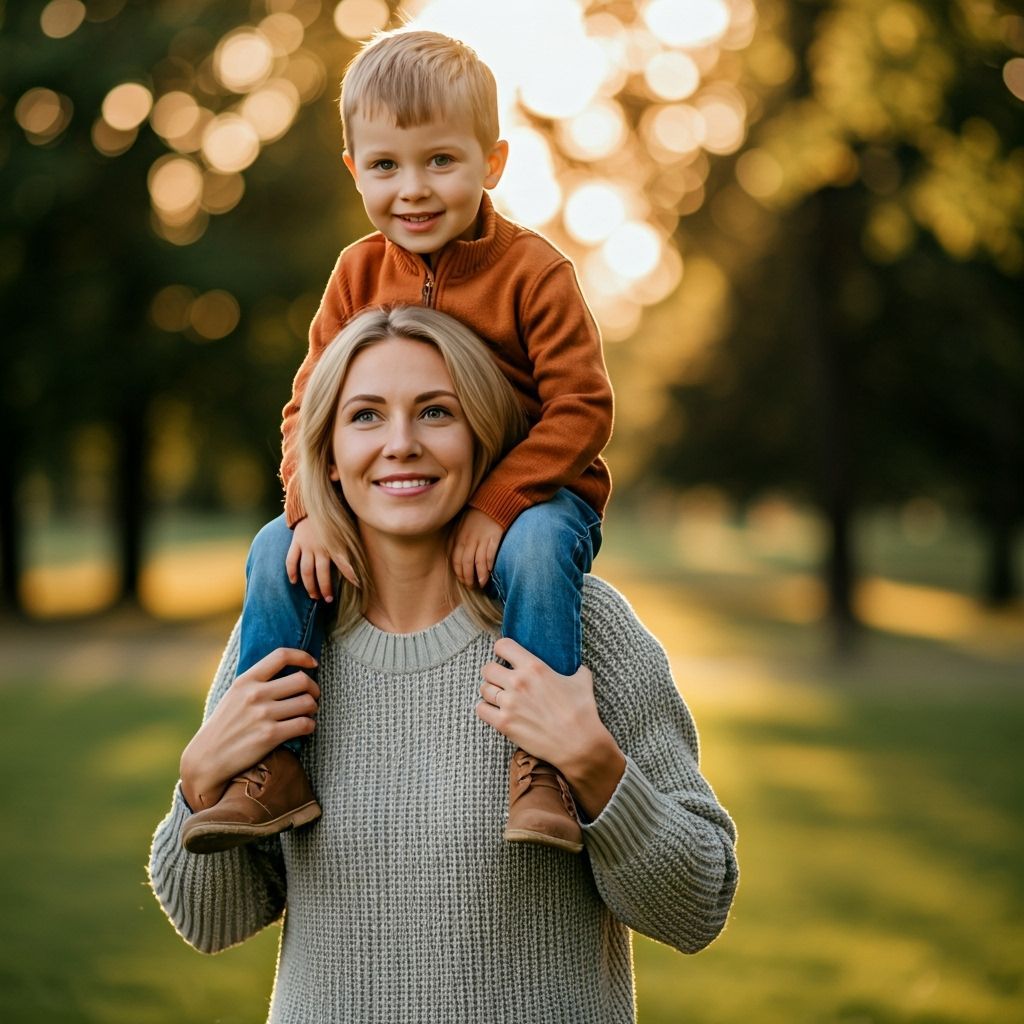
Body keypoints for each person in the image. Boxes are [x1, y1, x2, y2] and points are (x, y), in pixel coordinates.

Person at [148, 306, 738, 1024]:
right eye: (366, 416)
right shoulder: (280, 637)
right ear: (328, 455)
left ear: (484, 439)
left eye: (435, 412)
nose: (401, 444)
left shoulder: (585, 630)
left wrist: (594, 766)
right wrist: (198, 781)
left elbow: (699, 908)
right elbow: (214, 925)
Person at [182, 28, 614, 854]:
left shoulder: (533, 273)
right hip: (398, 513)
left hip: (539, 498)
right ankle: (269, 765)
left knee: (532, 553)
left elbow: (581, 407)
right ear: (354, 168)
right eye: (386, 166)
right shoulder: (357, 273)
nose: (412, 191)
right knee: (277, 549)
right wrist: (309, 510)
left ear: (493, 162)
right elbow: (307, 408)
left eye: (440, 162)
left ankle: (543, 769)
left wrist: (499, 502)